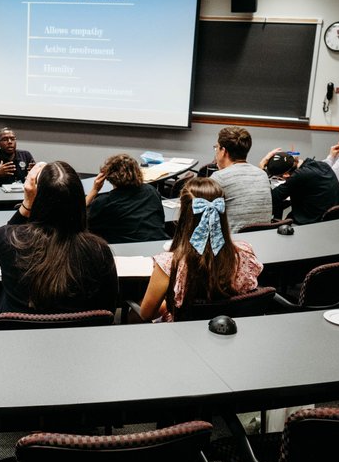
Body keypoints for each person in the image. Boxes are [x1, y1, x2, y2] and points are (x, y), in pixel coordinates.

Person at [0, 160, 118, 315]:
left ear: (38, 199)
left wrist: (27, 203)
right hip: (79, 337)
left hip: (20, 336)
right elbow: (108, 308)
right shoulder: (99, 250)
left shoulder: (8, 240)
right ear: (79, 200)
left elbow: (9, 229)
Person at [138, 177, 263, 322]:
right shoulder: (244, 254)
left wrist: (169, 304)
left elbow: (147, 314)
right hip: (227, 330)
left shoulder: (169, 264)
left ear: (183, 213)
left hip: (182, 336)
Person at [85, 153, 167, 244]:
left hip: (126, 252)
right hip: (159, 245)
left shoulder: (104, 202)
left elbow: (77, 219)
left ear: (108, 177)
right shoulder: (151, 191)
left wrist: (94, 190)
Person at [209, 126, 273, 231]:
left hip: (232, 244)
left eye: (217, 147)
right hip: (262, 241)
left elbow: (201, 217)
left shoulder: (219, 178)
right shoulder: (262, 174)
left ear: (223, 151)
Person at [259, 148, 339, 225]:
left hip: (312, 224)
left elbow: (270, 199)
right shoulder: (322, 165)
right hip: (334, 220)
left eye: (279, 177)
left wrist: (261, 168)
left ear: (286, 175)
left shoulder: (299, 176)